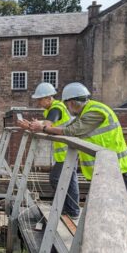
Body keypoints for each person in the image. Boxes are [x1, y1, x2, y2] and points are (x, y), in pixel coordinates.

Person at [27, 82, 127, 246]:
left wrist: (44, 129)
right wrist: (38, 127)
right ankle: (116, 242)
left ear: (72, 102)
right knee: (107, 210)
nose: (67, 107)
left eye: (68, 104)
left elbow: (73, 130)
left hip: (119, 170)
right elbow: (69, 125)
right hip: (105, 171)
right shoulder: (85, 113)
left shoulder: (96, 111)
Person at [18, 82, 80, 219]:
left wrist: (30, 126)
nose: (39, 103)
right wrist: (33, 124)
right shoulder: (54, 109)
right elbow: (46, 124)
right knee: (69, 179)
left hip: (67, 151)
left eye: (40, 99)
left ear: (48, 98)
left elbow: (47, 125)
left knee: (57, 178)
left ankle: (71, 209)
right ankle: (70, 209)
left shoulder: (55, 109)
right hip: (67, 150)